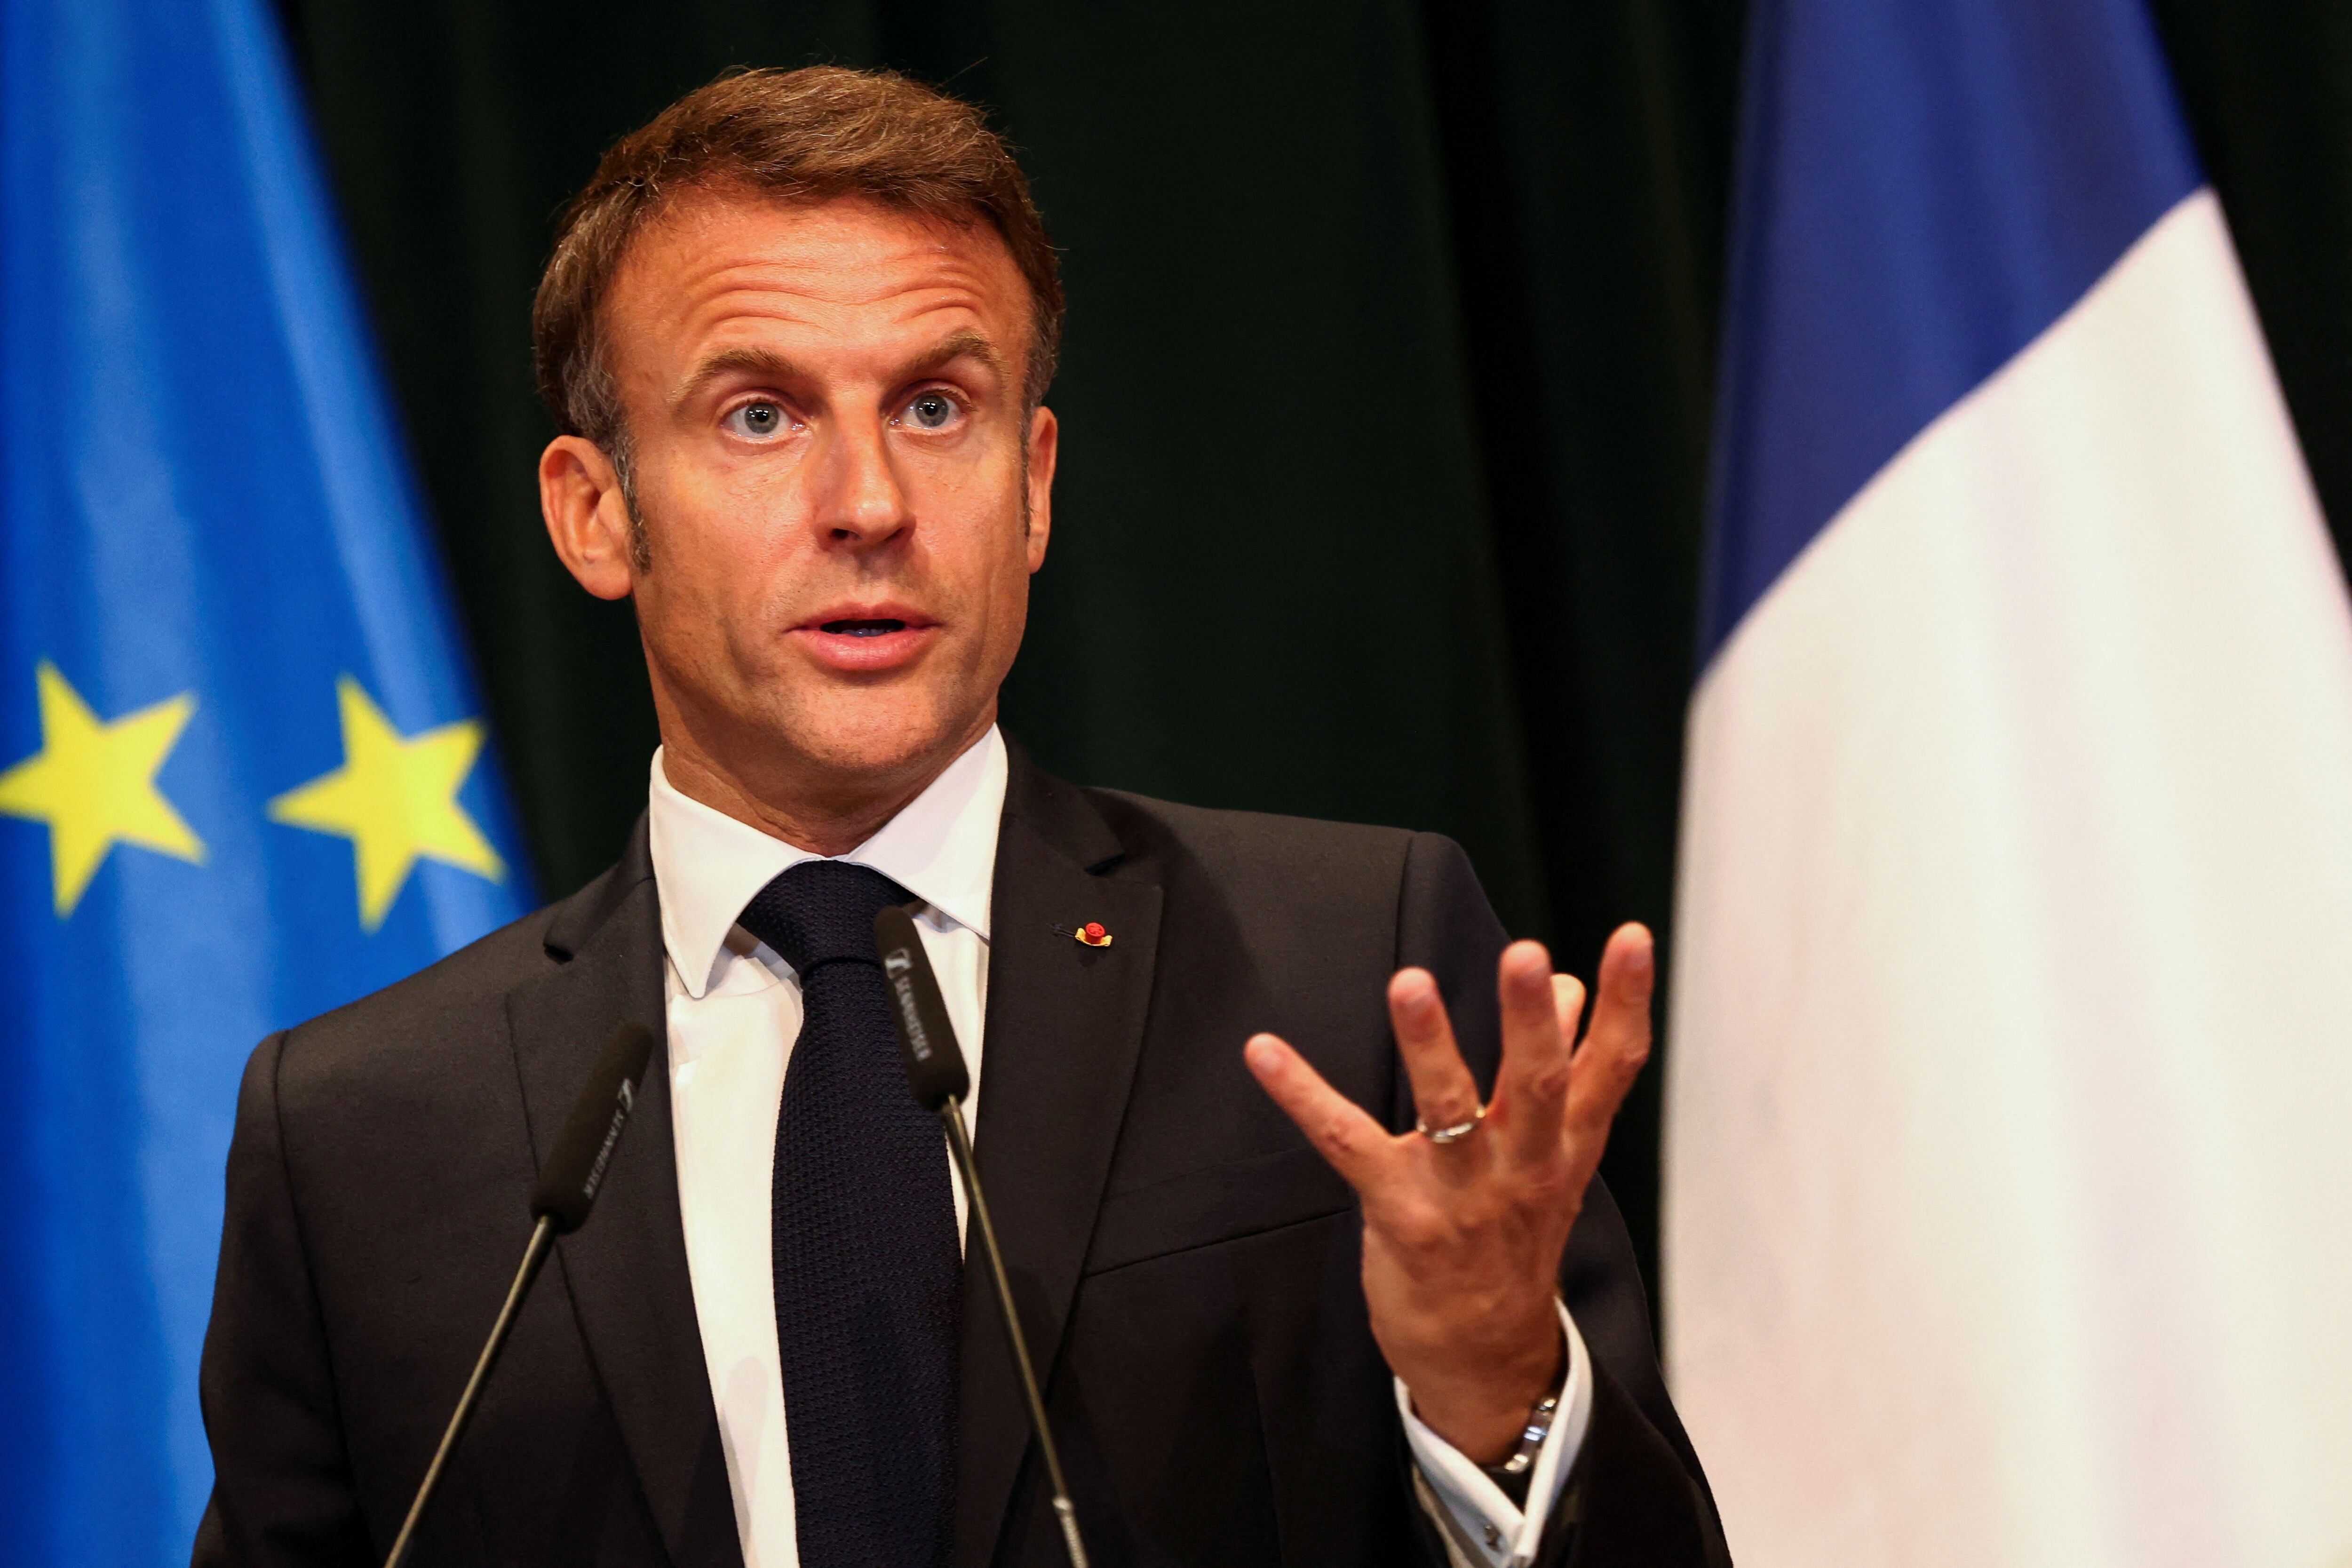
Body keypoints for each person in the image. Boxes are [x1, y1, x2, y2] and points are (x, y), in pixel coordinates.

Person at [193, 66, 1728, 1568]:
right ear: (597, 512)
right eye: (759, 416)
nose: (870, 503)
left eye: (936, 407)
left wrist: (1494, 1397)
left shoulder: (1343, 976)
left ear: (1035, 482)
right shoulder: (362, 1139)